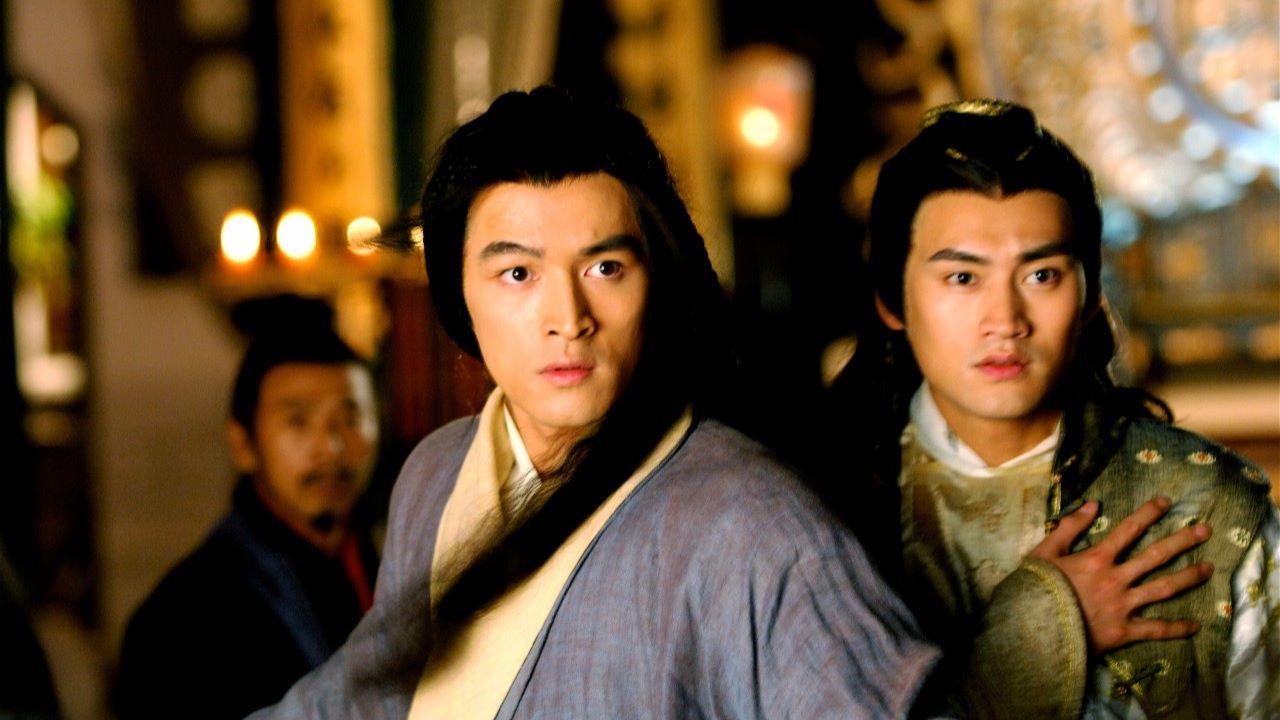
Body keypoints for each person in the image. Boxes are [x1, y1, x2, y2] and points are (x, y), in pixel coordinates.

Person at [250, 86, 939, 719]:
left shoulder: (750, 520)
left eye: (605, 267)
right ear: (459, 293)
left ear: (655, 278)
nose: (568, 318)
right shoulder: (436, 474)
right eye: (517, 273)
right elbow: (363, 696)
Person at [823, 99, 1278, 719]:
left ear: (1090, 295)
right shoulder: (824, 507)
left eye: (1041, 275)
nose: (1005, 321)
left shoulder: (1204, 503)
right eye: (963, 278)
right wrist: (1044, 629)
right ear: (892, 300)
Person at [114, 296, 382, 720]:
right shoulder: (180, 618)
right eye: (298, 421)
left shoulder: (400, 559)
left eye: (351, 418)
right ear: (243, 444)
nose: (331, 448)